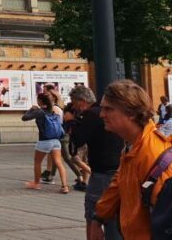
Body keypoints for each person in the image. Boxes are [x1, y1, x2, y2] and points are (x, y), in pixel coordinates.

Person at [90, 80, 172, 240]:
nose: (101, 114)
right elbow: (118, 184)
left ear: (132, 113)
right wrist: (98, 218)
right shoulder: (133, 146)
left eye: (108, 109)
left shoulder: (152, 154)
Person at [68, 84, 123, 240]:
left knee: (93, 216)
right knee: (117, 215)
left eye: (73, 103)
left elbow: (77, 140)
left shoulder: (91, 115)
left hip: (102, 173)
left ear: (81, 101)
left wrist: (71, 122)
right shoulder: (108, 113)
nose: (73, 107)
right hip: (119, 169)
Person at [21, 91, 70, 193]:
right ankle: (65, 186)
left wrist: (31, 109)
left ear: (40, 101)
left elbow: (24, 118)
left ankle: (36, 183)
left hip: (44, 141)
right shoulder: (53, 111)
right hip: (56, 141)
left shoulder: (39, 112)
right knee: (59, 163)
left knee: (37, 161)